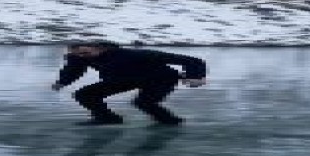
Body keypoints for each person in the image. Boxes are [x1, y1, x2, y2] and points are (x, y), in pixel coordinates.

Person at [51, 40, 207, 126]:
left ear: (101, 49)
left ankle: (171, 122)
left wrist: (195, 76)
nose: (82, 57)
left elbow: (192, 61)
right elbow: (73, 70)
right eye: (77, 54)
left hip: (160, 78)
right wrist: (62, 82)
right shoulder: (78, 58)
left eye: (85, 53)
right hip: (124, 79)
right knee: (84, 94)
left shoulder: (133, 54)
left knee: (143, 102)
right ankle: (108, 118)